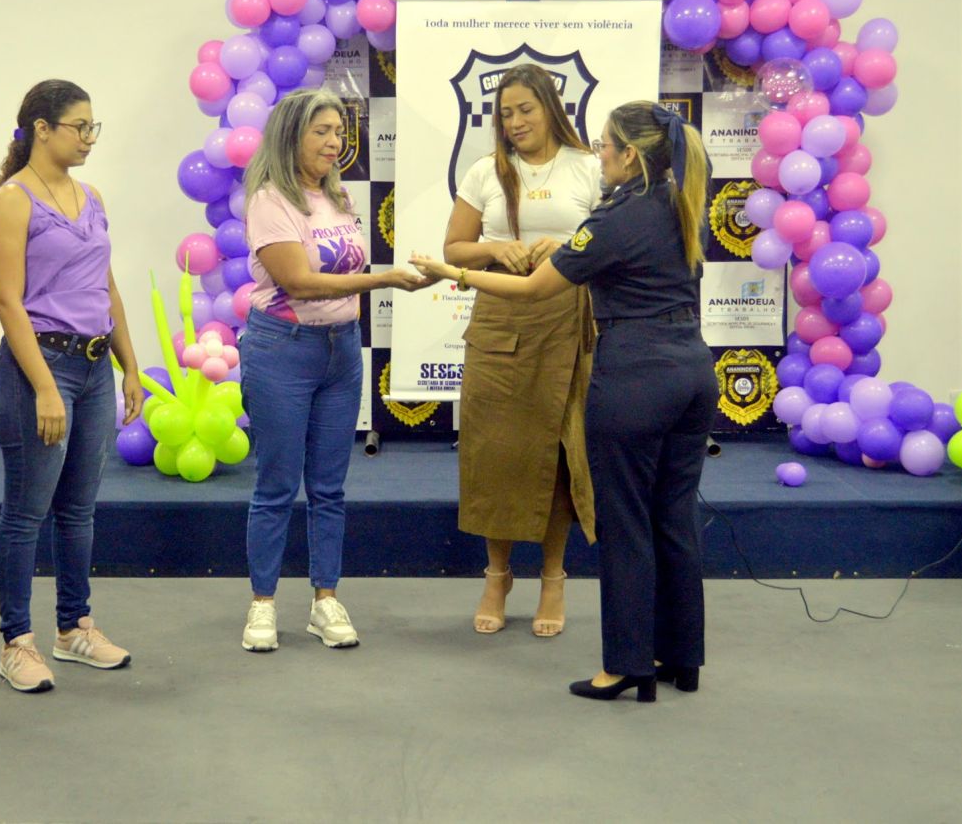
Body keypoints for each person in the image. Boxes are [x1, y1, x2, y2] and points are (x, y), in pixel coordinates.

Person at [412, 102, 716, 702]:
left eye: (606, 146)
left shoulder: (615, 216)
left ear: (630, 155)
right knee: (675, 519)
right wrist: (568, 247)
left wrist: (451, 271)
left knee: (625, 524)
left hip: (636, 378)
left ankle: (627, 665)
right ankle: (681, 657)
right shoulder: (680, 202)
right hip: (692, 371)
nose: (599, 155)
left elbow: (531, 290)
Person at [239, 88, 433, 653]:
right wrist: (385, 280)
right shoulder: (270, 200)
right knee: (277, 484)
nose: (334, 143)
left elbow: (339, 273)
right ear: (290, 136)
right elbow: (298, 283)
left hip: (340, 351)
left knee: (329, 486)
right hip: (282, 351)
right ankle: (262, 603)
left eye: (339, 133)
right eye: (321, 132)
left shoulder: (337, 195)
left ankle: (325, 600)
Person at [0, 79, 143, 693]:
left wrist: (130, 366)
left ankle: (74, 627)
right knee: (27, 512)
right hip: (38, 368)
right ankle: (16, 642)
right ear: (42, 129)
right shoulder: (12, 200)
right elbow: (7, 301)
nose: (89, 138)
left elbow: (106, 286)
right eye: (80, 126)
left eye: (93, 127)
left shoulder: (91, 196)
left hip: (95, 368)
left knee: (78, 509)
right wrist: (45, 388)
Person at [441, 64, 599, 638]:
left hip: (565, 320)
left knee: (556, 454)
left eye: (525, 110)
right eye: (505, 113)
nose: (514, 122)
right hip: (498, 322)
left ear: (551, 109)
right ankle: (497, 575)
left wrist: (572, 245)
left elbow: (610, 242)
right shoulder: (486, 170)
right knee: (495, 451)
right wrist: (494, 249)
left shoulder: (589, 166)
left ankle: (553, 578)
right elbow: (453, 248)